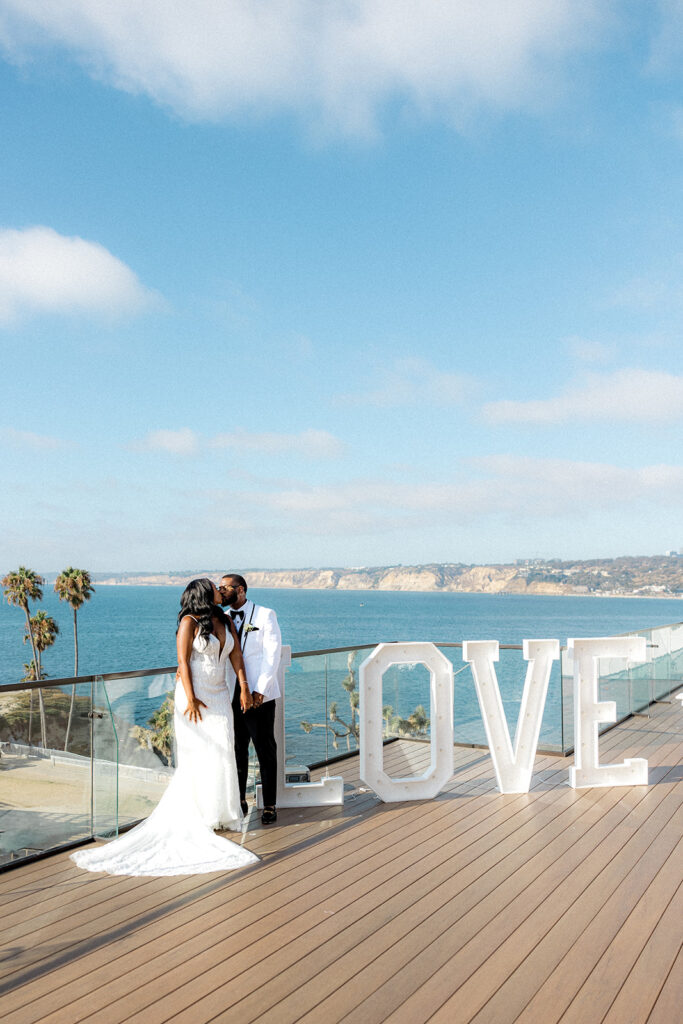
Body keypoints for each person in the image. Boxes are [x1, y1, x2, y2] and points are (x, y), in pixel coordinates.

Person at [71, 578, 259, 876]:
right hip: (193, 698)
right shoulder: (188, 621)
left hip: (221, 695)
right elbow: (182, 662)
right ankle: (200, 814)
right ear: (203, 593)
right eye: (213, 585)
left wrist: (245, 688)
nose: (218, 588)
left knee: (223, 751)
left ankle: (221, 812)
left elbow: (235, 655)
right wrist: (192, 698)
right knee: (198, 755)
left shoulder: (222, 619)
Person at [219, 573, 282, 825]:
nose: (221, 591)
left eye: (225, 588)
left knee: (265, 749)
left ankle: (269, 804)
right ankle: (240, 801)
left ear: (241, 590)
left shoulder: (265, 615)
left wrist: (260, 691)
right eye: (219, 588)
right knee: (237, 749)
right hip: (229, 693)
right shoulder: (221, 618)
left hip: (259, 695)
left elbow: (272, 655)